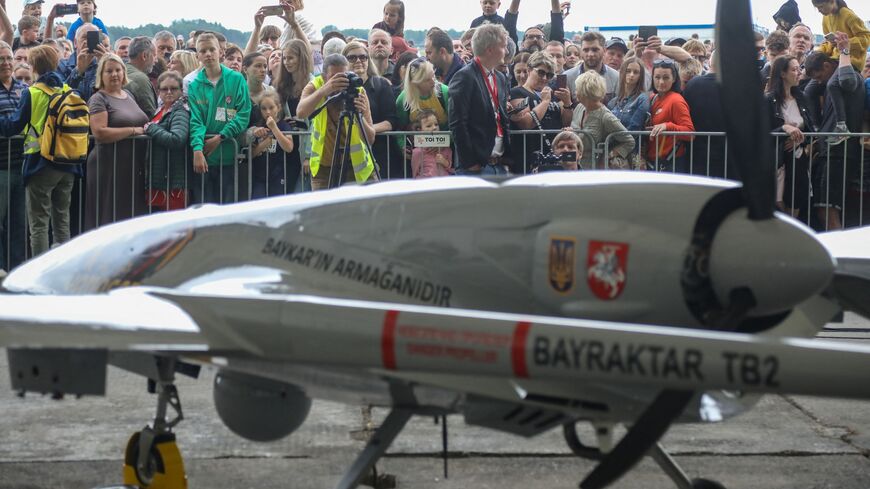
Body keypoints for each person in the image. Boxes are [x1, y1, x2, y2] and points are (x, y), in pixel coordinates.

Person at [0, 45, 80, 256]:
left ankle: (39, 272)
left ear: (34, 66)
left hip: (41, 163)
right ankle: (62, 268)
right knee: (62, 220)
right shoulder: (68, 90)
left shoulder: (32, 92)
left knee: (39, 224)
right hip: (68, 163)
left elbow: (12, 127)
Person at [803, 44, 865, 230]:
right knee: (825, 210)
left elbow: (843, 81)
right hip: (833, 151)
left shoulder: (846, 77)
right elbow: (808, 92)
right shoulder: (833, 80)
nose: (819, 82)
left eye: (819, 76)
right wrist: (816, 128)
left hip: (839, 153)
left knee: (828, 210)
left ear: (828, 66)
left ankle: (838, 257)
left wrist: (843, 53)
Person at [85, 53, 149, 229]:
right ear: (101, 75)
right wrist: (133, 131)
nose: (114, 74)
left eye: (118, 70)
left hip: (131, 166)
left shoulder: (128, 94)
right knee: (107, 214)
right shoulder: (99, 98)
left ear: (124, 72)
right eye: (109, 71)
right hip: (107, 166)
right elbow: (99, 132)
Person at [296, 54, 377, 190]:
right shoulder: (315, 86)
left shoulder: (357, 91)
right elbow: (301, 112)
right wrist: (324, 90)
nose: (340, 83)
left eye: (343, 77)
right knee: (325, 210)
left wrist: (359, 116)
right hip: (324, 169)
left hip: (357, 168)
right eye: (334, 77)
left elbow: (370, 139)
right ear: (323, 77)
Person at [188, 33, 252, 204]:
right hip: (205, 159)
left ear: (220, 52)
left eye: (212, 49)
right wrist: (197, 149)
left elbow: (244, 114)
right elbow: (196, 120)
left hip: (229, 157)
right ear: (198, 56)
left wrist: (220, 137)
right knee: (204, 210)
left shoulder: (237, 79)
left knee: (227, 212)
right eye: (203, 51)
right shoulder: (194, 86)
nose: (208, 54)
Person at [448, 23, 511, 174]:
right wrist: (470, 162)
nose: (507, 51)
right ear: (490, 49)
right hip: (476, 167)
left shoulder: (500, 78)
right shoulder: (464, 77)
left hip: (499, 164)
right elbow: (457, 123)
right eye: (503, 46)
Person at [808, 0, 870, 144]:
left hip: (851, 60)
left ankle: (842, 126)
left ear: (832, 1)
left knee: (832, 85)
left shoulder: (848, 15)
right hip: (834, 58)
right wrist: (818, 54)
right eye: (817, 8)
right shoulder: (826, 18)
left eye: (821, 7)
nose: (819, 11)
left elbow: (866, 39)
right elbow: (827, 43)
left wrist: (846, 43)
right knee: (810, 90)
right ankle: (817, 127)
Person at [766, 55, 817, 221]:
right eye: (794, 69)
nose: (799, 73)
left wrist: (806, 143)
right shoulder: (768, 100)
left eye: (799, 68)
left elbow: (811, 128)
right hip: (777, 161)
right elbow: (760, 132)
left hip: (799, 160)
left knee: (797, 199)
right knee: (778, 203)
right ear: (782, 74)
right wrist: (784, 129)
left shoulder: (801, 97)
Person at [507, 51, 571, 172]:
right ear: (529, 70)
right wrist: (545, 102)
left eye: (550, 75)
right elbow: (526, 123)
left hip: (552, 156)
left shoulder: (553, 94)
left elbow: (566, 122)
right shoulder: (517, 92)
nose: (545, 78)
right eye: (541, 73)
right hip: (528, 157)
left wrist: (567, 104)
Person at [343, 41, 399, 179]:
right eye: (352, 57)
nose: (358, 61)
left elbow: (390, 121)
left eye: (363, 57)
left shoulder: (382, 85)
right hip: (346, 155)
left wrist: (366, 128)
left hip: (377, 152)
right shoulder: (338, 87)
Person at [145, 70, 190, 211]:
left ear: (181, 91)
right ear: (158, 91)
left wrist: (151, 128)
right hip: (160, 179)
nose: (169, 92)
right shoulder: (160, 110)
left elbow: (177, 139)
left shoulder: (181, 110)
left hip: (173, 181)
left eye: (174, 88)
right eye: (164, 89)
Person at [570, 70, 634, 169]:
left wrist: (608, 156)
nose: (575, 92)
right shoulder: (579, 107)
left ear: (585, 93)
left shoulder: (606, 116)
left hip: (593, 170)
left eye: (577, 89)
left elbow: (629, 141)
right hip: (574, 167)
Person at [682, 50, 730, 178]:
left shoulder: (692, 84)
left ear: (709, 62)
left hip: (696, 152)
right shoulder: (734, 87)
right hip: (726, 155)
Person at [0, 41, 26, 272]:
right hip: (1, 168)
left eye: (9, 58)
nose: (7, 62)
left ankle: (16, 273)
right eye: (1, 59)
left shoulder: (22, 88)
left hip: (22, 166)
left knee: (19, 225)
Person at [646, 58, 694, 172]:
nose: (661, 82)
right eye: (657, 77)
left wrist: (667, 126)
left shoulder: (676, 100)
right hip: (652, 163)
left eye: (666, 77)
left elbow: (690, 133)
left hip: (670, 164)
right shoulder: (652, 98)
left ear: (674, 79)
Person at [248, 88, 297, 198]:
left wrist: (274, 128)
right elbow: (250, 154)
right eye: (264, 109)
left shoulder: (284, 126)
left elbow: (289, 147)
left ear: (278, 107)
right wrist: (263, 144)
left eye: (271, 108)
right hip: (259, 177)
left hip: (278, 176)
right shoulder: (258, 126)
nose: (268, 112)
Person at [563, 32, 619, 105]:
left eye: (595, 50)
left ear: (604, 50)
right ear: (581, 52)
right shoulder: (567, 77)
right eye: (586, 50)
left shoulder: (617, 78)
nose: (590, 54)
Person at [62, 23, 106, 102]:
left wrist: (105, 66)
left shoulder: (105, 64)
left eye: (93, 37)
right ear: (75, 42)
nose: (88, 41)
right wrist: (78, 71)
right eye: (85, 37)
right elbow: (60, 94)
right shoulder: (62, 65)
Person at [410, 109, 452, 178]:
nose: (434, 128)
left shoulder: (446, 149)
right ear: (419, 130)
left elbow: (451, 169)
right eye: (429, 126)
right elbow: (415, 173)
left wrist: (444, 162)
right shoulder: (417, 152)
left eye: (436, 124)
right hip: (426, 186)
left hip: (443, 185)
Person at [125, 36, 158, 118]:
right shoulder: (141, 79)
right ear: (144, 55)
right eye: (154, 56)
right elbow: (151, 115)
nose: (156, 60)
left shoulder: (121, 71)